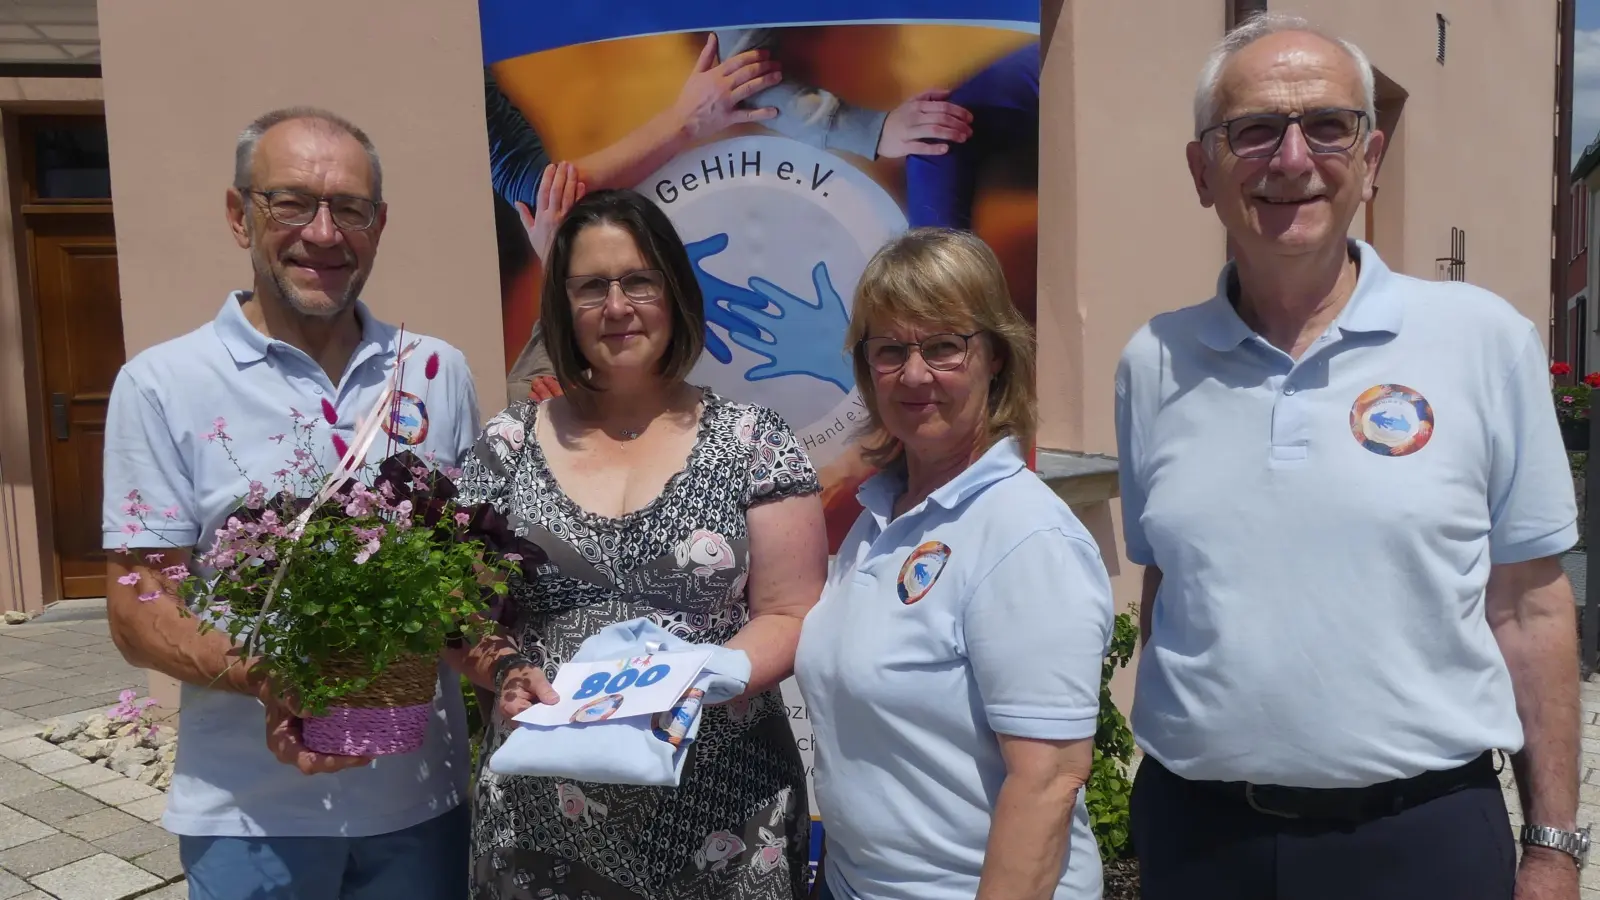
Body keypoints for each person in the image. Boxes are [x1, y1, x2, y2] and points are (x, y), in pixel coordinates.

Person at [1115, 13, 1586, 900]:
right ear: (1200, 171)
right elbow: (1170, 585)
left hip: (1422, 841)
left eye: (1327, 126)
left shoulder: (1482, 340)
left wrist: (1553, 849)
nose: (1292, 159)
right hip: (1201, 841)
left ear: (1369, 161)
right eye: (1253, 130)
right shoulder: (1154, 362)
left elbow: (1531, 610)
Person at [101, 108, 480, 899]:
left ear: (379, 226)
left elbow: (463, 575)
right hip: (250, 819)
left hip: (424, 806)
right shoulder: (165, 384)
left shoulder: (436, 371)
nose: (324, 232)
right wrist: (273, 676)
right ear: (240, 215)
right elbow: (139, 606)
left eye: (349, 208)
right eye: (291, 202)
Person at [451, 187, 828, 899]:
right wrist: (503, 672)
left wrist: (688, 681)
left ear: (674, 293)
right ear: (562, 306)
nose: (617, 306)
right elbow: (460, 611)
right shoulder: (506, 446)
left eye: (638, 281)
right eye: (592, 286)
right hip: (542, 820)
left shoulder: (753, 441)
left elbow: (793, 611)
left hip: (723, 815)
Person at [794, 227, 1112, 900]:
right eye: (890, 350)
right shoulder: (882, 513)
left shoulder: (1024, 537)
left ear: (995, 355)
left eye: (943, 346)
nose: (915, 375)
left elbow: (1048, 781)